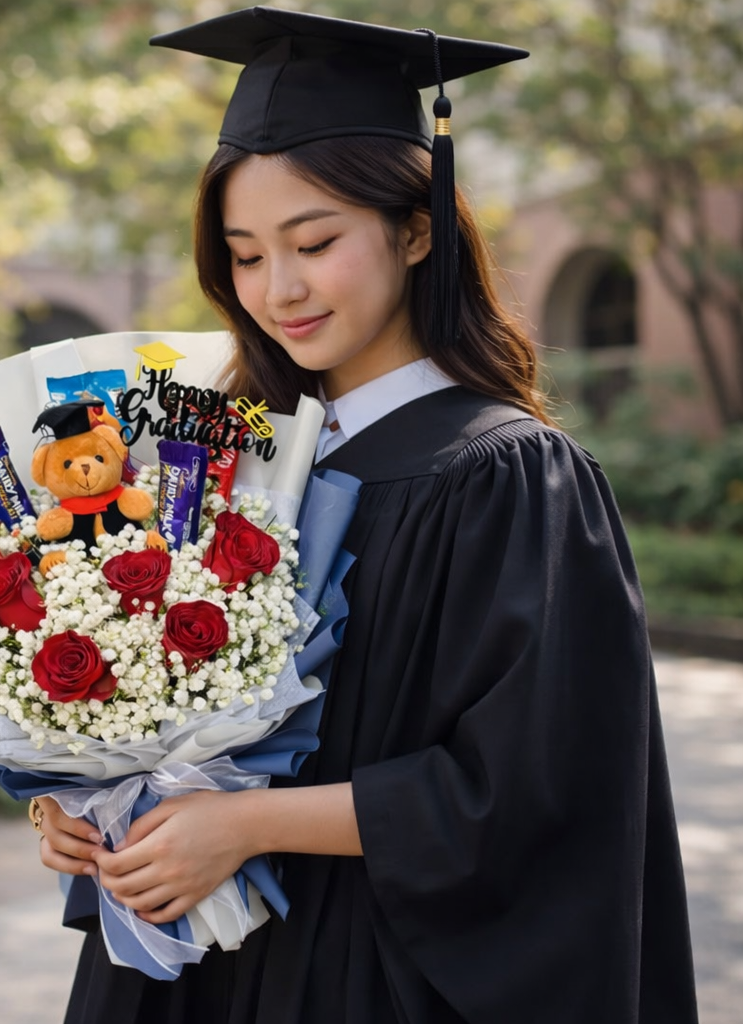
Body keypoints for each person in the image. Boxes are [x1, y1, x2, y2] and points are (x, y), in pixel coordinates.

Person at [37, 8, 699, 1022]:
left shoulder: (507, 476)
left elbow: (533, 786)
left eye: (315, 242)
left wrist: (246, 824)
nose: (279, 290)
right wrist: (88, 804)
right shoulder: (220, 465)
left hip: (366, 974)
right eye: (244, 255)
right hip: (185, 961)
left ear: (416, 229)